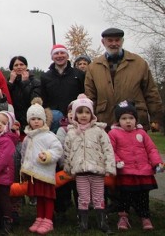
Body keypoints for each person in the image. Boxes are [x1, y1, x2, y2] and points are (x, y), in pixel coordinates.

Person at [85, 28, 164, 129]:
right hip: (105, 122)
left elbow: (151, 92)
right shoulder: (93, 67)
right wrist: (88, 120)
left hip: (135, 120)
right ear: (103, 42)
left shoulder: (139, 63)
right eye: (110, 40)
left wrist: (156, 118)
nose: (114, 43)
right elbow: (90, 96)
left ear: (122, 41)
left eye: (117, 40)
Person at [62, 94, 115, 233]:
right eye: (80, 112)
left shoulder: (99, 131)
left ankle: (103, 223)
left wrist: (109, 166)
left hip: (97, 171)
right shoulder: (72, 132)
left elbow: (107, 149)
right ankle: (83, 224)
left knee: (98, 197)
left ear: (92, 114)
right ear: (74, 114)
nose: (84, 115)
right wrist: (68, 168)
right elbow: (67, 151)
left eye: (87, 112)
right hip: (80, 172)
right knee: (83, 197)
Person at [108, 100, 164, 231]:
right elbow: (110, 150)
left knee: (143, 196)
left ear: (136, 119)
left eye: (131, 118)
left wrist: (157, 162)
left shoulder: (142, 133)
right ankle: (123, 216)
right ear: (118, 120)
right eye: (124, 118)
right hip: (125, 172)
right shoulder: (114, 133)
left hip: (143, 172)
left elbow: (151, 149)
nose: (128, 121)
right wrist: (116, 161)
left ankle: (145, 217)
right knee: (124, 196)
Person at [20, 103, 63, 235]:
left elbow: (58, 150)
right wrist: (24, 168)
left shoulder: (49, 136)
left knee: (47, 197)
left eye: (39, 119)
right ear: (29, 121)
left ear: (43, 120)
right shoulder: (28, 137)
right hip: (34, 173)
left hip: (45, 172)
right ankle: (39, 218)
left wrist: (47, 156)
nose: (36, 122)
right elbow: (24, 154)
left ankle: (48, 220)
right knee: (39, 197)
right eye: (33, 119)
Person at [40, 44, 85, 128]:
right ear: (52, 57)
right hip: (54, 119)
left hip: (75, 118)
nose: (59, 56)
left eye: (62, 53)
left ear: (67, 56)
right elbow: (44, 100)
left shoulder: (79, 74)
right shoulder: (45, 77)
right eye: (56, 53)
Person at [7, 56, 41, 131]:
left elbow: (34, 100)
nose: (19, 67)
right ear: (12, 68)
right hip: (14, 122)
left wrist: (25, 83)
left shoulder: (35, 82)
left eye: (21, 64)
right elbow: (5, 98)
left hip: (30, 121)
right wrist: (11, 82)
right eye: (16, 65)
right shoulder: (9, 82)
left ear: (26, 66)